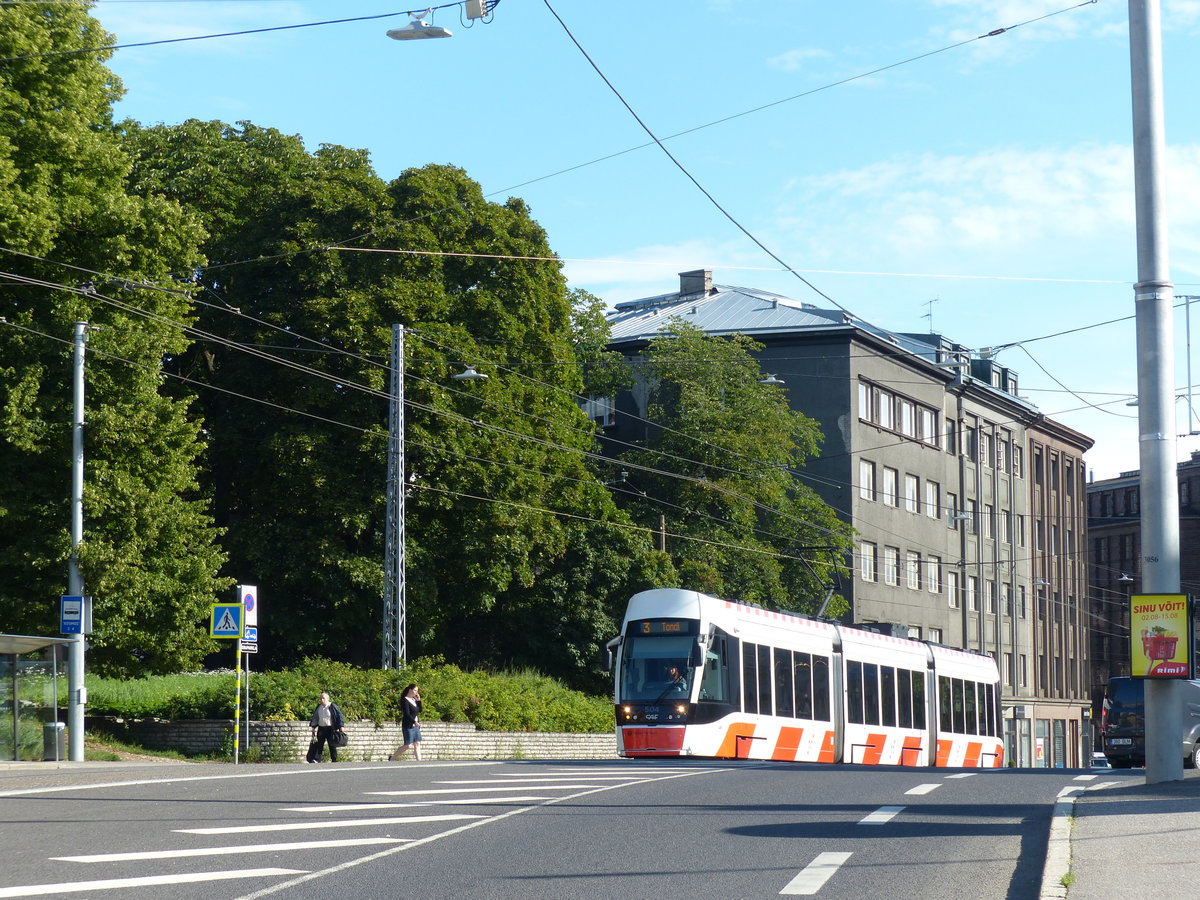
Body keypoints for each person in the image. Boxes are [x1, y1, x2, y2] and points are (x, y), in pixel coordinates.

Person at [308, 691, 345, 763]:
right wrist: (313, 726)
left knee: (332, 744)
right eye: (321, 698)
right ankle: (317, 759)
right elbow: (316, 717)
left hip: (330, 728)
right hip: (321, 728)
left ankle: (334, 760)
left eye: (323, 698)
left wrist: (341, 726)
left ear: (327, 699)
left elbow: (339, 716)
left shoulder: (332, 706)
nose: (321, 700)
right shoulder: (319, 707)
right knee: (320, 744)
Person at [391, 683, 423, 761]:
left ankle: (419, 761)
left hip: (415, 725)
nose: (416, 692)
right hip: (408, 725)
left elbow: (420, 710)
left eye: (417, 691)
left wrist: (419, 701)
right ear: (410, 690)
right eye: (415, 690)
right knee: (408, 745)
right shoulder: (405, 700)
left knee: (417, 743)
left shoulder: (414, 700)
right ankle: (392, 758)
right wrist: (414, 721)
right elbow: (407, 713)